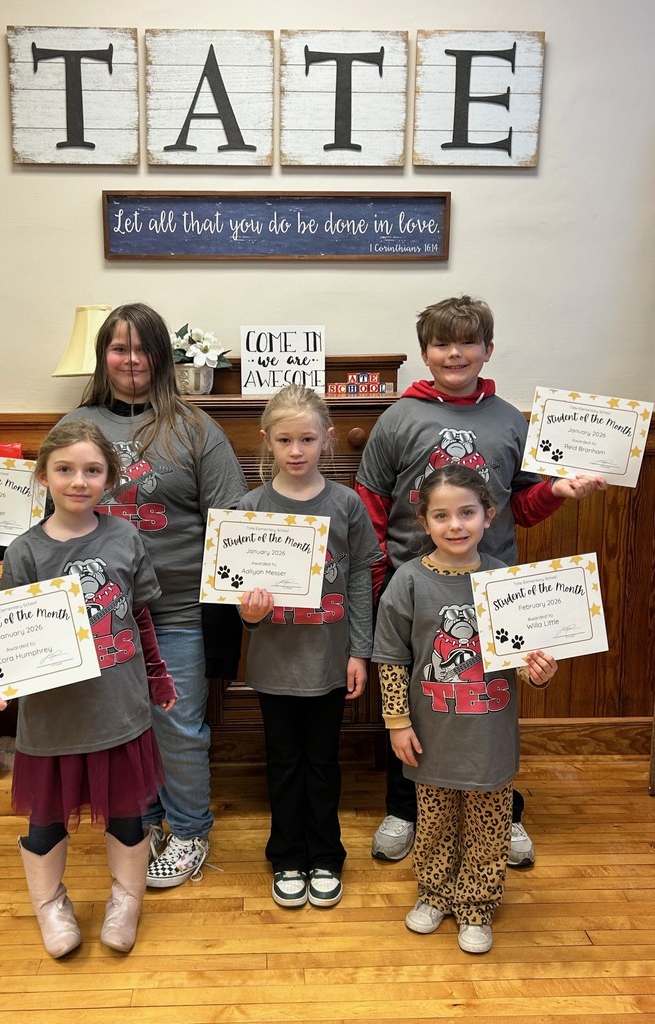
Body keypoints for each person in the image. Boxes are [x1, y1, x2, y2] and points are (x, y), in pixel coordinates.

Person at [356, 294, 606, 868]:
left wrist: (558, 493)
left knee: (488, 702)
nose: (454, 352)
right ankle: (405, 806)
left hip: (493, 591)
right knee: (416, 698)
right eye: (442, 342)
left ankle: (501, 809)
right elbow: (371, 503)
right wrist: (377, 578)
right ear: (425, 353)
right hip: (413, 583)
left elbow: (522, 504)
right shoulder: (399, 418)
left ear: (487, 350)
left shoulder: (509, 420)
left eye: (467, 342)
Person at [55, 303, 247, 889]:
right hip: (103, 615)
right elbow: (53, 517)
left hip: (179, 611)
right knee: (126, 725)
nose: (131, 360)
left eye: (143, 349)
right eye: (119, 348)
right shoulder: (77, 427)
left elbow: (232, 518)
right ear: (103, 356)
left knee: (177, 723)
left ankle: (190, 830)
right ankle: (156, 818)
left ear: (163, 357)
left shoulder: (195, 428)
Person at [0, 419, 177, 956]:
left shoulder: (125, 536)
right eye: (65, 469)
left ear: (109, 478)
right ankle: (49, 905)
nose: (78, 481)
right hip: (52, 716)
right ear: (44, 476)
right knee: (45, 821)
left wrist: (158, 678)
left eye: (92, 470)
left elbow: (140, 616)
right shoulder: (24, 552)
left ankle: (126, 899)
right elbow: (4, 637)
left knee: (129, 813)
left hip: (118, 706)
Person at [373, 465, 558, 953]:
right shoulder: (409, 581)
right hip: (431, 736)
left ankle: (476, 906)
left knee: (488, 827)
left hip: (489, 737)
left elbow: (525, 657)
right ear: (424, 521)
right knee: (432, 824)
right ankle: (434, 894)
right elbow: (390, 656)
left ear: (489, 516)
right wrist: (397, 723)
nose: (455, 525)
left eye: (467, 513)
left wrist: (538, 670)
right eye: (441, 515)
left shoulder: (506, 581)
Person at [238, 385, 383, 909]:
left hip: (330, 659)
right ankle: (287, 855)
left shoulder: (345, 503)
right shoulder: (249, 508)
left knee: (322, 762)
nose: (296, 450)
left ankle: (326, 855)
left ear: (325, 439)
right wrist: (248, 615)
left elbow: (363, 581)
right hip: (274, 662)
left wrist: (358, 652)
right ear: (267, 442)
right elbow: (238, 594)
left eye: (306, 439)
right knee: (283, 762)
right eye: (284, 440)